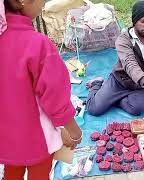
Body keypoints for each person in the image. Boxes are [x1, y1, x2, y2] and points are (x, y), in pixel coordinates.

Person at [0, 0, 82, 179]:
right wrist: (74, 131)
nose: (44, 3)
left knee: (11, 172)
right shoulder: (37, 44)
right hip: (36, 139)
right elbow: (55, 98)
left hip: (6, 138)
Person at [86, 1, 144, 116]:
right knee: (94, 109)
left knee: (137, 109)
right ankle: (97, 83)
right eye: (143, 21)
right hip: (120, 81)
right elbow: (130, 63)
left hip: (139, 86)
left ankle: (113, 99)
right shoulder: (124, 40)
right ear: (134, 21)